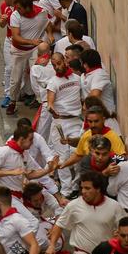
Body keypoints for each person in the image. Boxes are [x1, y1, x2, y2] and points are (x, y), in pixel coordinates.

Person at [46, 172, 125, 254]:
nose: (83, 191)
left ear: (98, 189)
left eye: (87, 188)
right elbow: (59, 225)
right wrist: (52, 245)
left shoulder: (115, 206)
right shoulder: (73, 205)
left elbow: (125, 227)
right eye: (82, 188)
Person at [6, 0, 53, 115]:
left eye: (20, 8)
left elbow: (47, 23)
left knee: (36, 73)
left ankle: (39, 99)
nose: (17, 10)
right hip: (19, 51)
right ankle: (12, 101)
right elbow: (16, 37)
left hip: (34, 49)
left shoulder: (41, 12)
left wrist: (50, 34)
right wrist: (31, 41)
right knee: (15, 79)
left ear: (28, 7)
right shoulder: (15, 16)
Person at [46, 51, 83, 196]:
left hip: (75, 120)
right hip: (60, 122)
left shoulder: (77, 79)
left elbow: (83, 96)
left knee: (79, 153)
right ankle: (67, 190)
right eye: (54, 65)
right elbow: (50, 102)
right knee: (63, 157)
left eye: (59, 64)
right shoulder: (53, 82)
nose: (57, 67)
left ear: (65, 62)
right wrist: (51, 109)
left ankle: (75, 186)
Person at [59, 106, 125, 172]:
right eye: (90, 121)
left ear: (103, 120)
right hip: (90, 175)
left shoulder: (113, 136)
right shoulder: (87, 134)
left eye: (96, 121)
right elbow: (78, 154)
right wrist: (63, 165)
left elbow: (122, 159)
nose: (93, 125)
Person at [0, 0, 19, 107]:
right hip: (9, 40)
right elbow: (1, 25)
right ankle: (7, 95)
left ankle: (19, 92)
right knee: (9, 68)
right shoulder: (3, 6)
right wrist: (2, 21)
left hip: (20, 42)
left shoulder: (19, 7)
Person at [29, 43, 55, 140]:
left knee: (42, 133)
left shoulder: (35, 68)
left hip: (46, 102)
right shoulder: (56, 64)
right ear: (50, 52)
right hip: (60, 102)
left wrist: (41, 97)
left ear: (38, 54)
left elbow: (35, 88)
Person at [80, 49, 116, 114]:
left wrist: (84, 106)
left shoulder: (100, 74)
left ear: (85, 64)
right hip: (91, 116)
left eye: (81, 62)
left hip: (105, 117)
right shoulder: (84, 75)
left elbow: (95, 95)